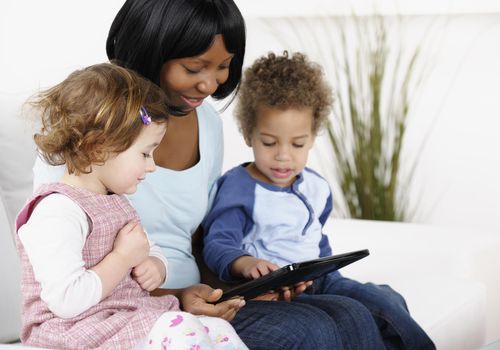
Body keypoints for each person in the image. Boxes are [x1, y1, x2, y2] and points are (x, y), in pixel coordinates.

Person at [33, 1, 394, 349]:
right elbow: (64, 275)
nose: (210, 85)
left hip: (197, 300)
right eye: (194, 68)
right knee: (310, 331)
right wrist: (176, 298)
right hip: (133, 314)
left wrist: (242, 284)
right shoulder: (88, 125)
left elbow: (195, 238)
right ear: (152, 51)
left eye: (223, 66)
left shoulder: (207, 123)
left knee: (350, 314)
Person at [202, 51, 436, 350]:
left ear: (312, 137)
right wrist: (245, 263)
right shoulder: (239, 187)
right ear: (249, 134)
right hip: (278, 290)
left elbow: (315, 236)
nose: (283, 155)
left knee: (386, 298)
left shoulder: (316, 186)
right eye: (269, 142)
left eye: (298, 143)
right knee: (351, 317)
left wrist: (325, 266)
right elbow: (217, 243)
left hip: (320, 278)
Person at [17, 63, 248, 350]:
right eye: (144, 153)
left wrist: (155, 266)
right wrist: (122, 259)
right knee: (180, 327)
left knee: (216, 329)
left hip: (120, 318)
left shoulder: (116, 203)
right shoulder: (57, 212)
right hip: (72, 329)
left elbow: (148, 248)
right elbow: (66, 301)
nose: (151, 166)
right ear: (98, 148)